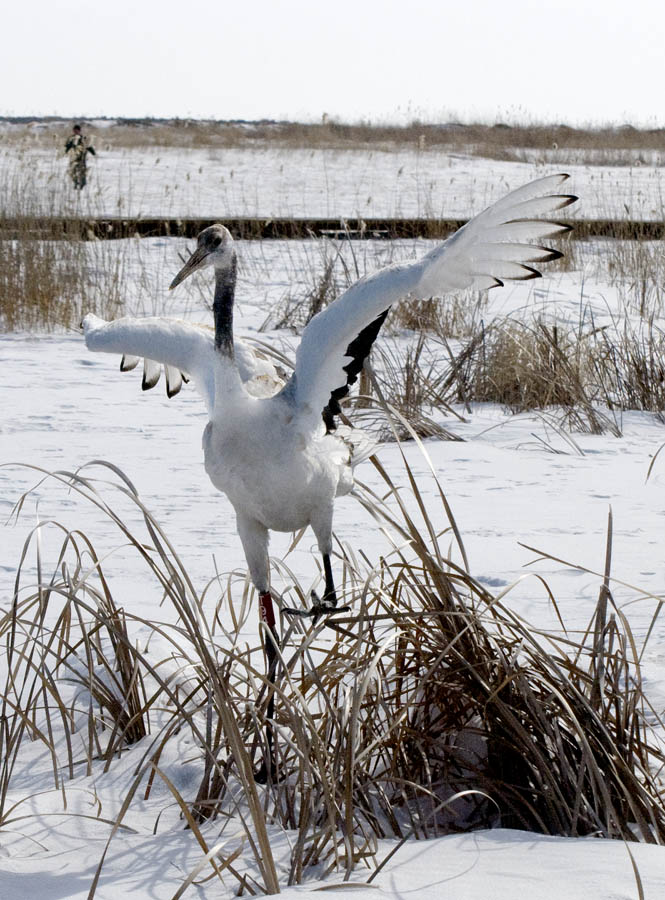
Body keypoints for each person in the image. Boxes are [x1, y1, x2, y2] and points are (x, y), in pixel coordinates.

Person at [64, 124, 96, 190]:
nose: (75, 132)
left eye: (77, 131)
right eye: (74, 130)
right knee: (73, 171)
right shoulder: (71, 138)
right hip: (73, 157)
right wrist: (66, 151)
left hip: (82, 158)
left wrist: (93, 153)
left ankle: (83, 184)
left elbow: (89, 146)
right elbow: (67, 146)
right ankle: (75, 183)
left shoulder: (83, 138)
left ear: (79, 131)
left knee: (82, 171)